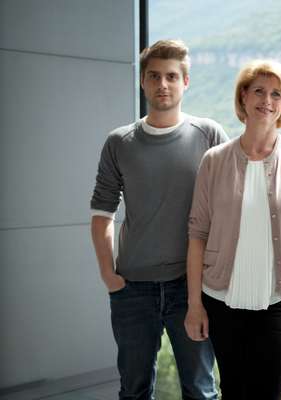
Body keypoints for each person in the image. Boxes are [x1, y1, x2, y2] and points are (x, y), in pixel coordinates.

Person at [90, 39, 228, 400]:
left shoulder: (209, 135)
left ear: (186, 81)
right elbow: (101, 212)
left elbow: (232, 207)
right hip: (132, 287)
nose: (162, 84)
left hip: (192, 287)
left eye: (171, 76)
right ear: (143, 81)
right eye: (154, 76)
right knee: (133, 390)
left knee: (200, 390)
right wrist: (109, 275)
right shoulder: (119, 141)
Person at [184, 59, 281, 399]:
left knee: (267, 393)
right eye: (259, 91)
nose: (268, 100)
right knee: (233, 390)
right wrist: (194, 305)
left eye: (277, 94)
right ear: (243, 96)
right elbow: (197, 235)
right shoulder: (214, 160)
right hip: (220, 299)